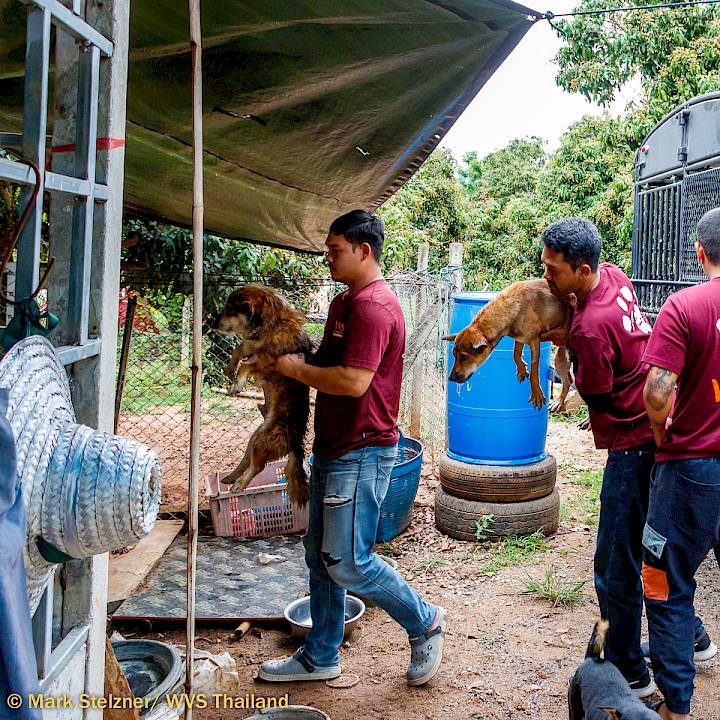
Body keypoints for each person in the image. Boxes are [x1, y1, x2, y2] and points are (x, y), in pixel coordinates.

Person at [257, 210, 446, 686]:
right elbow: (327, 360)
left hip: (362, 451)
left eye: (334, 249)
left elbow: (354, 380)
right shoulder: (345, 303)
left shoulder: (375, 309)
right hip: (335, 447)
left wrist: (296, 371)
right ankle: (321, 655)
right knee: (320, 555)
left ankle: (424, 620)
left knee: (348, 561)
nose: (327, 256)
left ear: (365, 251)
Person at [539, 217, 714, 698]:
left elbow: (591, 391)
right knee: (649, 551)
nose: (547, 276)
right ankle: (693, 638)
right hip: (652, 439)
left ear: (581, 268)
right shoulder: (615, 275)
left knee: (615, 559)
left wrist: (568, 343)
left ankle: (629, 670)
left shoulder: (591, 332)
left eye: (554, 270)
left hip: (633, 444)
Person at [640, 207, 720, 720]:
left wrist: (658, 433)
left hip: (691, 468)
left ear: (699, 251)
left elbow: (656, 391)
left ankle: (677, 709)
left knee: (664, 581)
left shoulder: (685, 306)